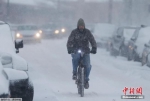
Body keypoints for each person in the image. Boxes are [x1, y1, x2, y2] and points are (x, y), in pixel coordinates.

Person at [66, 18, 97, 89]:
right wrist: (70, 48)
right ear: (78, 26)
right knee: (75, 58)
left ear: (84, 26)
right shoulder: (74, 32)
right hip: (75, 50)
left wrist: (94, 48)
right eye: (80, 25)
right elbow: (69, 41)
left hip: (85, 50)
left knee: (88, 65)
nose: (81, 27)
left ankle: (86, 80)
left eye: (82, 25)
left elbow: (92, 40)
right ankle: (74, 72)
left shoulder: (87, 32)